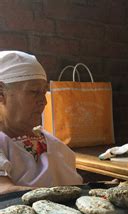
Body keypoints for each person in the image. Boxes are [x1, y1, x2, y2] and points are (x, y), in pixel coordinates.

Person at [0, 51, 83, 194]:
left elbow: (70, 183)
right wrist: (67, 196)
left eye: (44, 92)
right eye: (33, 92)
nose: (43, 101)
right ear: (1, 94)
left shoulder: (48, 139)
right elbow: (5, 190)